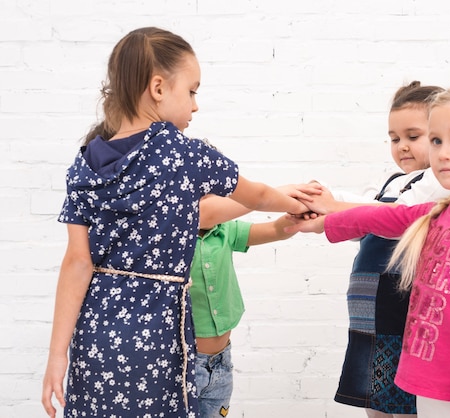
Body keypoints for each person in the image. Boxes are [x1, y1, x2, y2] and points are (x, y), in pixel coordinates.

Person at [41, 27, 309, 418]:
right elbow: (258, 196)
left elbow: (77, 263)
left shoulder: (84, 164)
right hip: (155, 336)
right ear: (159, 87)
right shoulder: (184, 154)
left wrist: (56, 356)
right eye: (193, 91)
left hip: (94, 334)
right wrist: (296, 201)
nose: (195, 105)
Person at [290, 83, 450, 418]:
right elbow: (384, 217)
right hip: (423, 383)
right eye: (437, 140)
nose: (443, 152)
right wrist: (319, 223)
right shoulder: (440, 211)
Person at [301, 82, 450, 417]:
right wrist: (323, 198)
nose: (402, 146)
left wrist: (334, 205)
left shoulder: (437, 182)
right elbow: (362, 212)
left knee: (404, 402)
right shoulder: (390, 181)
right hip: (370, 310)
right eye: (395, 138)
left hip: (402, 306)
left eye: (414, 136)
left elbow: (395, 217)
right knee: (373, 402)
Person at [191, 185, 319, 418]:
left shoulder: (225, 230)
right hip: (183, 364)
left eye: (216, 194)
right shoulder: (170, 237)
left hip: (220, 363)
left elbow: (274, 229)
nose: (212, 202)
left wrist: (293, 219)